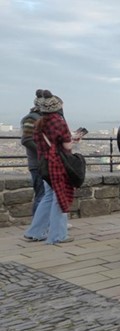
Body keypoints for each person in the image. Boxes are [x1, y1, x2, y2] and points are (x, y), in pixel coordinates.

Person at [23, 90, 76, 244]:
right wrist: (74, 140)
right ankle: (58, 235)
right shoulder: (58, 121)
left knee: (48, 197)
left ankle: (35, 232)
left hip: (44, 163)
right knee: (59, 197)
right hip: (57, 164)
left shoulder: (39, 122)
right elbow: (66, 145)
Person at [20, 89, 45, 215]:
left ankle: (47, 223)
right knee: (41, 195)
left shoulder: (41, 118)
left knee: (46, 195)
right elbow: (27, 140)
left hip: (44, 162)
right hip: (38, 163)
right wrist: (45, 151)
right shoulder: (32, 119)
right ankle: (38, 225)